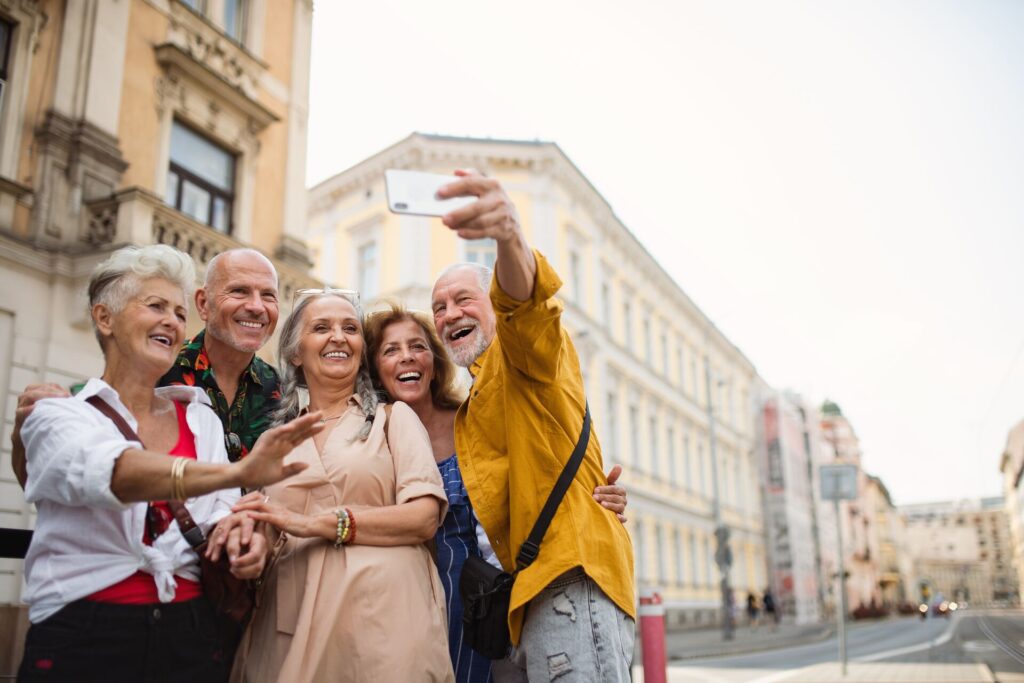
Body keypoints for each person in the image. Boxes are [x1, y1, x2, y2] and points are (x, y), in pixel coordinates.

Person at [16, 245, 322, 681]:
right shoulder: (75, 406)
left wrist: (248, 535)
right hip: (85, 626)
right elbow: (75, 472)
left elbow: (225, 509)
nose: (256, 306)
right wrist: (237, 474)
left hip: (207, 615)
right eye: (239, 291)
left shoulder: (259, 396)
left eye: (177, 314)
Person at [430, 171, 636, 681]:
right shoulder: (474, 397)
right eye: (438, 307)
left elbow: (526, 303)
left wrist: (509, 236)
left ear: (494, 303)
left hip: (566, 582)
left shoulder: (522, 352)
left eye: (463, 299)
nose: (449, 313)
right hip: (523, 602)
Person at [364, 304, 630, 683]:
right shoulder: (370, 439)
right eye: (391, 350)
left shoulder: (474, 421)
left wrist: (593, 495)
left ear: (435, 362)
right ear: (376, 369)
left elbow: (539, 468)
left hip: (488, 606)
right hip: (408, 609)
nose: (407, 356)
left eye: (418, 346)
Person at [222, 289, 455, 682]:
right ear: (295, 352)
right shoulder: (272, 442)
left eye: (350, 328)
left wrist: (321, 523)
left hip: (383, 621)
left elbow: (424, 518)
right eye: (321, 328)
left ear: (361, 350)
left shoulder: (393, 419)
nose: (338, 337)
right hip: (289, 622)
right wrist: (251, 550)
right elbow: (264, 529)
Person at [11, 247, 283, 485]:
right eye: (239, 291)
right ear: (203, 304)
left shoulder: (281, 390)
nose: (257, 306)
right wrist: (28, 435)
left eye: (268, 295)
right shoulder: (155, 363)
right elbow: (67, 473)